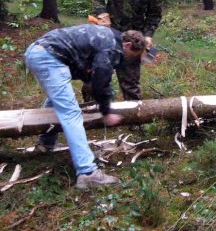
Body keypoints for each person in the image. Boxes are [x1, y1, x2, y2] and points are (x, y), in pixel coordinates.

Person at [24, 24, 146, 189]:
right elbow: (101, 81)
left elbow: (87, 64)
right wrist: (106, 111)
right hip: (48, 56)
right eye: (132, 55)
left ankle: (46, 143)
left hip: (38, 51)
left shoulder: (111, 37)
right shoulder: (112, 47)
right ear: (128, 45)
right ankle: (87, 173)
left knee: (56, 101)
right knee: (71, 113)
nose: (129, 59)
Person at [91, 0, 163, 100]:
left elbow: (154, 15)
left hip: (132, 41)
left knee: (131, 85)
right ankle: (94, 116)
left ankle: (133, 120)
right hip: (108, 35)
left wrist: (148, 35)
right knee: (96, 78)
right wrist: (102, 13)